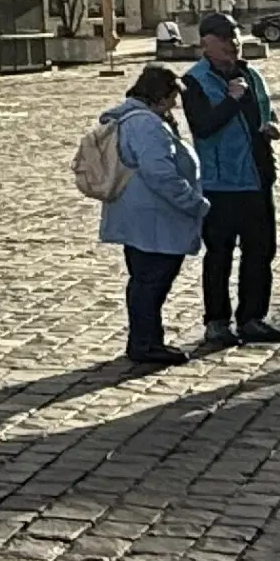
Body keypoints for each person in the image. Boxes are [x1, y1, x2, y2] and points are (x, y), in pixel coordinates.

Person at [179, 12, 280, 350]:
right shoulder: (193, 81)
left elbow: (265, 112)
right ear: (205, 44)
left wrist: (272, 125)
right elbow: (203, 127)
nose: (232, 45)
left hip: (257, 178)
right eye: (224, 40)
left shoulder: (252, 75)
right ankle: (217, 322)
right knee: (220, 255)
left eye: (236, 39)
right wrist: (231, 100)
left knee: (260, 251)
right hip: (220, 183)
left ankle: (253, 318)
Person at [95, 63, 211, 372]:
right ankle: (145, 343)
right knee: (151, 281)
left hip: (142, 216)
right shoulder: (146, 125)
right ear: (162, 95)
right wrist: (193, 202)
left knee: (145, 280)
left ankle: (146, 339)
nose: (176, 103)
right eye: (174, 96)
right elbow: (160, 173)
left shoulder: (137, 119)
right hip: (155, 218)